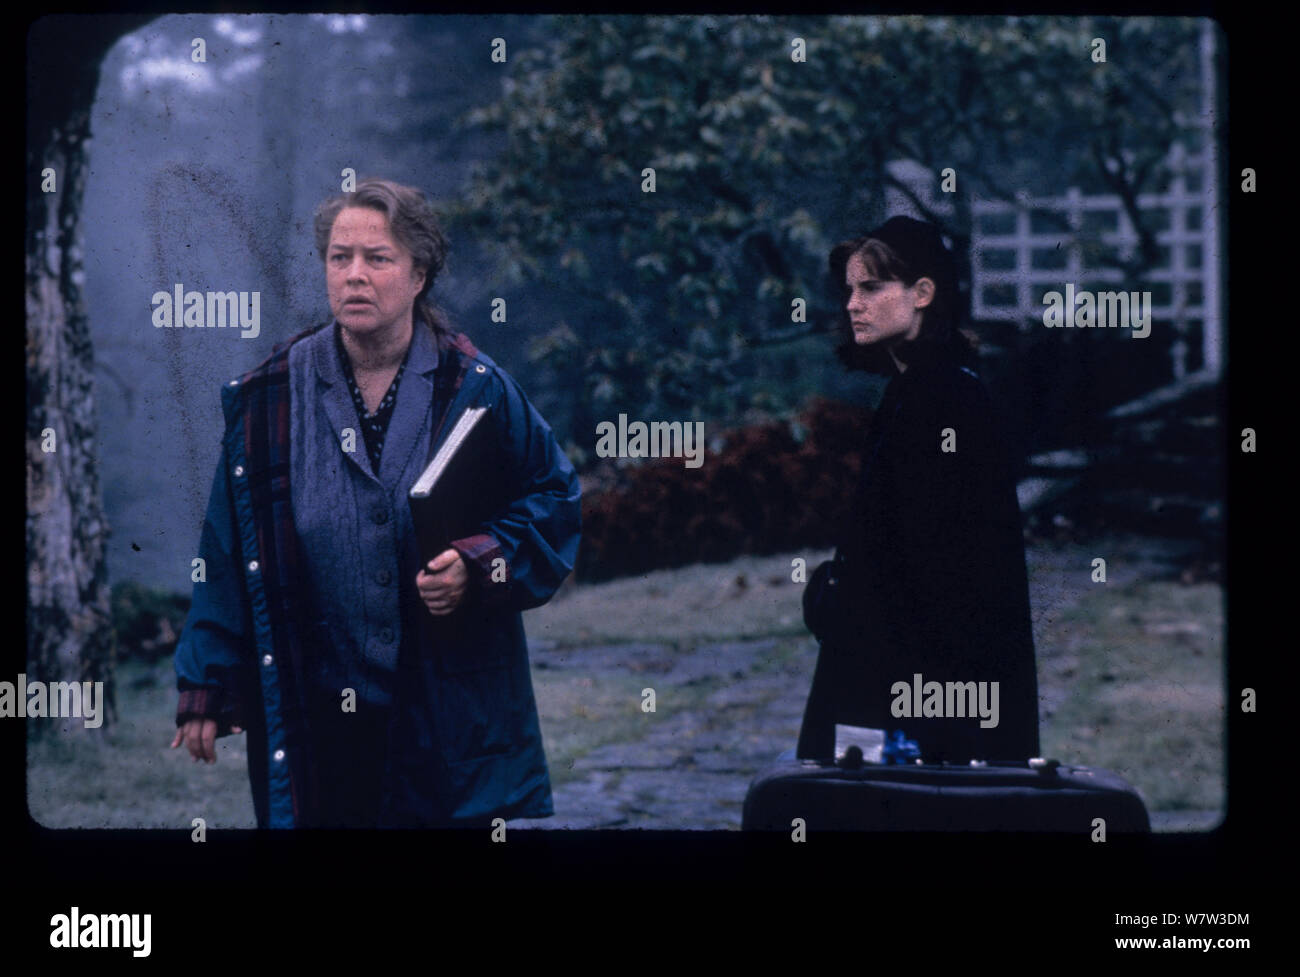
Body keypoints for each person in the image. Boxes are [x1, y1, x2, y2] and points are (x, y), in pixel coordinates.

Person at [169, 177, 581, 828]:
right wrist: (206, 683)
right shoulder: (268, 399)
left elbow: (555, 497)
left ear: (419, 275)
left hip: (443, 717)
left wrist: (481, 561)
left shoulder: (476, 387)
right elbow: (225, 553)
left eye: (377, 258)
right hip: (316, 717)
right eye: (340, 257)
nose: (354, 275)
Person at [797, 215, 1040, 763]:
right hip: (901, 667)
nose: (853, 304)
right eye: (850, 291)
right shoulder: (919, 391)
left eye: (872, 287)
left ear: (923, 292)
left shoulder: (943, 399)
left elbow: (938, 565)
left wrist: (837, 599)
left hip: (921, 679)